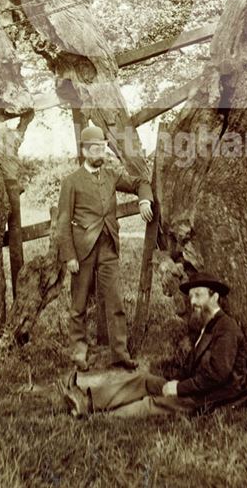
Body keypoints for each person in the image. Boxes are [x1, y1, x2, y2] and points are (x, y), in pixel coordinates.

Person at [56, 272, 247, 419]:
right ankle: (88, 401)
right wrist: (172, 383)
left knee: (153, 403)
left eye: (198, 295)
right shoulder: (205, 325)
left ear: (215, 297)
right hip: (199, 389)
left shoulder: (226, 328)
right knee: (144, 380)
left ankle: (102, 418)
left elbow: (218, 375)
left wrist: (179, 388)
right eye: (191, 296)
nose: (192, 302)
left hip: (216, 397)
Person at [56, 122, 153, 371]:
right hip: (83, 251)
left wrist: (144, 200)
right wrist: (69, 256)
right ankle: (79, 353)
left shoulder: (111, 176)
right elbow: (63, 222)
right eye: (96, 149)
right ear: (86, 151)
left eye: (103, 148)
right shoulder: (72, 181)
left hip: (109, 247)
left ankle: (119, 354)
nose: (101, 153)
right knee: (78, 305)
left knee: (115, 301)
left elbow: (140, 181)